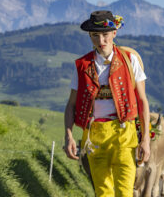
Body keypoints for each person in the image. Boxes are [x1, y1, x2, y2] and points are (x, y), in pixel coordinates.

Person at [63, 10, 150, 197]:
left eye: (105, 35)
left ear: (114, 33)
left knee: (125, 191)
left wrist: (146, 140)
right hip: (94, 134)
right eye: (95, 35)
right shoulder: (82, 65)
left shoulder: (130, 60)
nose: (101, 40)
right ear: (90, 36)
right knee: (102, 192)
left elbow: (142, 101)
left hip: (124, 133)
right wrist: (69, 135)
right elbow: (71, 104)